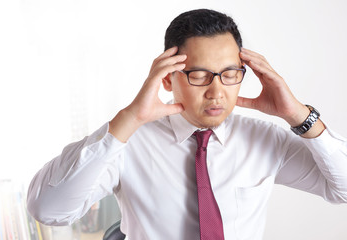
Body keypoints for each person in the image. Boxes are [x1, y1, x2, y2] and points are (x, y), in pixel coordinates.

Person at [27, 9, 347, 240]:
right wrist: (127, 119)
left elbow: (342, 191)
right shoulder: (129, 141)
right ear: (168, 78)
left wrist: (301, 117)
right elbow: (48, 210)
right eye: (199, 75)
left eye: (229, 74)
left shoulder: (264, 140)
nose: (216, 91)